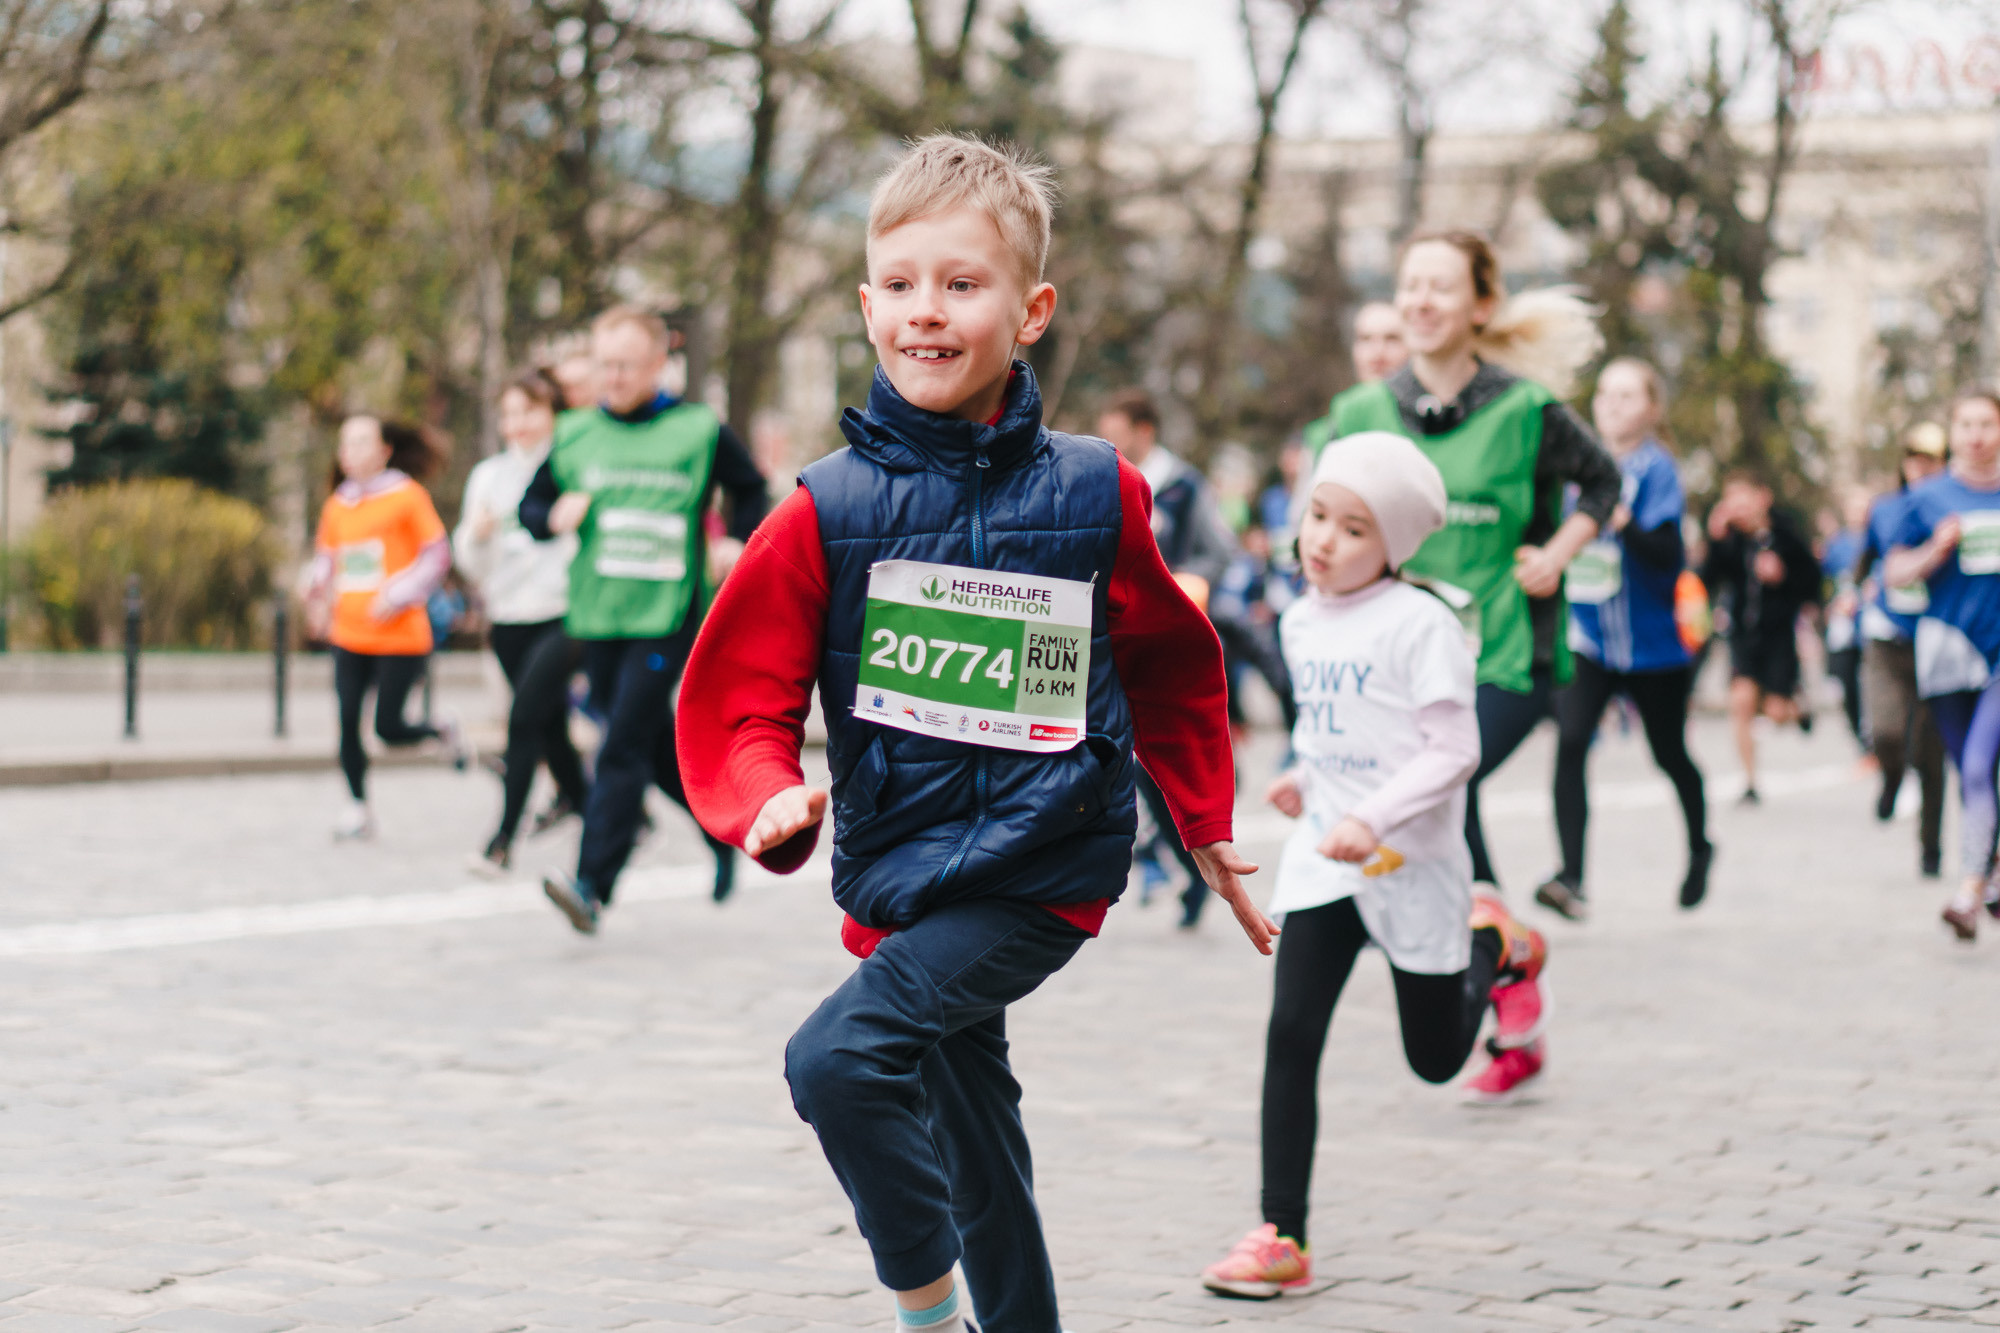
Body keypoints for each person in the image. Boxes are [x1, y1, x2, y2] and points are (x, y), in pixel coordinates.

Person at [677, 133, 1274, 1333]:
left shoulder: (1098, 488)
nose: (926, 313)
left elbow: (1167, 656)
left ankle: (925, 1312)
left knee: (836, 1061)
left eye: (962, 284)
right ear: (864, 306)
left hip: (1042, 865)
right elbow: (739, 698)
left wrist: (1199, 820)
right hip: (901, 873)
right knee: (976, 1143)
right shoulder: (822, 509)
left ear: (1031, 308)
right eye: (898, 286)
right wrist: (768, 800)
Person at [1198, 432, 1551, 1300]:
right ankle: (1284, 1234)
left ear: (1390, 546)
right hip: (1329, 860)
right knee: (1291, 1032)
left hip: (1413, 861)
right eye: (1318, 515)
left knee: (1434, 1059)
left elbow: (1451, 751)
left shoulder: (1422, 622)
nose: (1323, 539)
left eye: (1353, 529)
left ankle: (1493, 947)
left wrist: (1373, 814)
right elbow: (1330, 724)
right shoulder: (1301, 617)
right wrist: (1303, 775)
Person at [1321, 230, 1621, 891]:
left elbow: (1604, 480)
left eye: (1441, 287)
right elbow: (1325, 527)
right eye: (1411, 286)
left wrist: (1556, 552)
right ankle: (1487, 936)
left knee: (1442, 769)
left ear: (1481, 306)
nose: (1421, 301)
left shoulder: (1526, 409)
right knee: (1445, 793)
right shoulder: (1361, 411)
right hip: (1398, 655)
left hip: (1507, 652)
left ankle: (1480, 937)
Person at [522, 305, 769, 931]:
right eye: (605, 365)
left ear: (660, 364)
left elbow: (751, 488)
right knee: (645, 741)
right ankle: (719, 832)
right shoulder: (575, 431)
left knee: (620, 745)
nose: (614, 377)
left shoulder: (698, 430)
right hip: (598, 612)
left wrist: (735, 539)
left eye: (627, 366)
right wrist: (550, 518)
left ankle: (591, 885)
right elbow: (533, 504)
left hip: (667, 613)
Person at [1536, 358, 1710, 921]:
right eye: (1606, 394)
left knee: (1669, 754)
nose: (1612, 404)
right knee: (1571, 742)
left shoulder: (1658, 471)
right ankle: (1572, 877)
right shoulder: (1571, 470)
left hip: (1652, 645)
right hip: (1589, 640)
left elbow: (1667, 556)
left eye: (1628, 395)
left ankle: (1701, 846)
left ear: (1652, 409)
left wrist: (1620, 520)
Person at [1096, 388, 1248, 927]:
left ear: (1144, 431)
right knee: (1128, 756)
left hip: (1169, 631)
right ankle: (1167, 853)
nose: (1109, 439)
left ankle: (1190, 849)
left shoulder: (1183, 486)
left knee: (1162, 751)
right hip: (1117, 634)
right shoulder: (1103, 478)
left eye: (1118, 430)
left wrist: (1186, 583)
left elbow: (1220, 551)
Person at [454, 367, 590, 876]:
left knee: (523, 719)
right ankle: (600, 806)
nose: (518, 423)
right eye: (509, 413)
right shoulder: (488, 477)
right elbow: (472, 565)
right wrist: (479, 536)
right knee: (550, 727)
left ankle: (501, 842)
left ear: (552, 412)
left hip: (564, 614)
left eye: (529, 411)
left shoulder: (572, 467)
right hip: (508, 619)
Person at [303, 415, 462, 840]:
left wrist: (397, 594)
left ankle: (439, 728)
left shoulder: (407, 496)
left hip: (400, 636)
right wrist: (315, 587)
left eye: (359, 443)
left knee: (388, 728)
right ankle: (357, 807)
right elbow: (328, 556)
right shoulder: (338, 504)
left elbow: (436, 555)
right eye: (344, 444)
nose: (349, 453)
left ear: (383, 450)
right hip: (349, 633)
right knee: (348, 721)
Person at [1884, 389, 2000, 940]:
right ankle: (1993, 871)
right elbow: (1894, 574)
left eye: (1987, 424)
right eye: (1966, 424)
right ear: (1953, 432)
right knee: (1969, 773)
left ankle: (1970, 889)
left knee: (1980, 766)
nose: (1977, 435)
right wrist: (1935, 551)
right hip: (1949, 653)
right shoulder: (1927, 498)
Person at [1855, 422, 1948, 875]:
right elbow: (1864, 560)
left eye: (1931, 459)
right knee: (1887, 731)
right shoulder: (1885, 508)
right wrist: (1856, 590)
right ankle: (1890, 778)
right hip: (1886, 637)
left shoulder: (1954, 506)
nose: (1921, 467)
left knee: (1929, 750)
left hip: (1936, 641)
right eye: (1914, 458)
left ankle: (1930, 848)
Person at [1700, 472, 1822, 804]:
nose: (1737, 508)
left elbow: (1812, 583)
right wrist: (1714, 540)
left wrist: (1782, 576)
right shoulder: (1730, 540)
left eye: (1743, 498)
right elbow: (1706, 580)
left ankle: (1797, 710)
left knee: (1776, 711)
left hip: (1779, 637)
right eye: (1730, 501)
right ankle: (1750, 781)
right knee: (1740, 703)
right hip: (1742, 635)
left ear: (1762, 497)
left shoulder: (1786, 535)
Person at [1821, 487, 1872, 749]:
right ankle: (1863, 742)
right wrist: (1830, 606)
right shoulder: (1837, 545)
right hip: (1843, 626)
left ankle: (1878, 742)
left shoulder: (1878, 538)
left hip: (1871, 624)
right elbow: (1826, 582)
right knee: (1845, 683)